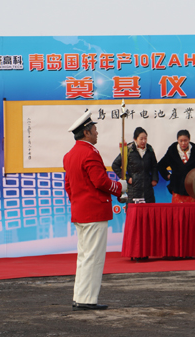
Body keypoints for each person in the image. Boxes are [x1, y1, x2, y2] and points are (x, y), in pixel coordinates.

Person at [63, 110, 127, 311]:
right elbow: (99, 181)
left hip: (80, 211)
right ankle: (87, 300)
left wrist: (79, 202)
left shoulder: (70, 155)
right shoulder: (90, 152)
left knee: (84, 257)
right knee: (93, 257)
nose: (97, 132)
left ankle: (80, 296)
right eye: (94, 129)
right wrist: (120, 188)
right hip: (94, 212)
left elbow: (68, 186)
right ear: (86, 132)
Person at [157, 129, 195, 203]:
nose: (183, 143)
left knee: (193, 212)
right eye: (181, 141)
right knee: (177, 212)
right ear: (177, 140)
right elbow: (161, 165)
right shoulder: (172, 152)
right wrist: (168, 176)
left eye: (185, 140)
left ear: (189, 139)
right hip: (177, 187)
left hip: (192, 188)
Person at [112, 126, 159, 203]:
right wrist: (127, 178)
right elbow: (115, 165)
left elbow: (154, 166)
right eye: (141, 139)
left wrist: (154, 178)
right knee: (134, 213)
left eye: (145, 138)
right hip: (133, 189)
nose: (143, 141)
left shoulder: (149, 149)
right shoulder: (128, 150)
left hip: (148, 189)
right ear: (135, 139)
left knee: (148, 213)